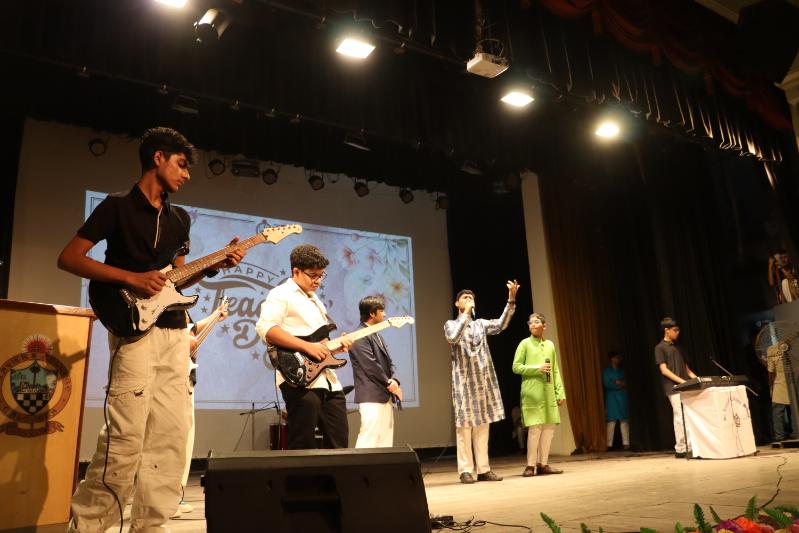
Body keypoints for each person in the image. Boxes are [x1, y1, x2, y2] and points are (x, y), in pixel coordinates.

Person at [57, 127, 245, 532]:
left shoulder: (180, 218)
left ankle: (150, 527)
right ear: (158, 158)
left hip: (175, 335)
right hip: (134, 334)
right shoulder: (116, 206)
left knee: (170, 441)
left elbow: (175, 281)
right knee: (124, 443)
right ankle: (87, 527)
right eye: (182, 164)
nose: (187, 174)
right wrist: (131, 278)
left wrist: (214, 266)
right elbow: (70, 258)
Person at [255, 244, 352, 449]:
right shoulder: (281, 294)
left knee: (340, 442)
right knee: (303, 442)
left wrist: (335, 347)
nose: (318, 280)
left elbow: (318, 343)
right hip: (299, 378)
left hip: (328, 380)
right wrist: (308, 347)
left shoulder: (316, 300)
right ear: (296, 271)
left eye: (321, 275)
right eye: (313, 275)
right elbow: (267, 329)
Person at [444, 280, 520, 484]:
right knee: (464, 429)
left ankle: (484, 469)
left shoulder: (481, 324)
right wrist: (466, 315)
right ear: (457, 303)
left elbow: (501, 324)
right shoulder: (451, 324)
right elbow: (453, 338)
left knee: (482, 428)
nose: (469, 300)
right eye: (465, 298)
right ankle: (465, 470)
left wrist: (511, 299)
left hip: (483, 384)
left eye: (472, 298)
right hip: (463, 386)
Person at [172, 306, 229, 519]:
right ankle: (167, 498)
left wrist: (214, 316)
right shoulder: (165, 301)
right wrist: (182, 341)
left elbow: (191, 330)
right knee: (174, 439)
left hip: (184, 376)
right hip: (173, 377)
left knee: (184, 438)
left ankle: (173, 495)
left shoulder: (177, 304)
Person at [512, 313, 566, 477]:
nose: (533, 325)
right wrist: (537, 369)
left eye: (536, 322)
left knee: (548, 429)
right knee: (535, 429)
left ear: (544, 326)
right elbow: (516, 367)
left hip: (548, 392)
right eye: (530, 323)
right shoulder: (525, 343)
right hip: (532, 392)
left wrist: (560, 392)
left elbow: (555, 370)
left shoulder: (550, 345)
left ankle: (543, 464)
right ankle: (530, 465)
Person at [349, 295, 403, 448]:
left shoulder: (376, 335)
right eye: (382, 311)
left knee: (385, 440)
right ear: (372, 313)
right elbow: (370, 365)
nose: (385, 314)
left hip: (384, 394)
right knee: (369, 438)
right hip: (371, 395)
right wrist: (389, 383)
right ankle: (360, 466)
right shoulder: (359, 335)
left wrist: (395, 380)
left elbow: (389, 363)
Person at [654, 317, 697, 458]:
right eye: (675, 330)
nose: (678, 332)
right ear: (666, 330)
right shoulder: (659, 348)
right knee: (680, 416)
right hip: (673, 387)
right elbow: (664, 370)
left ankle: (691, 446)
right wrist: (682, 382)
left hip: (684, 386)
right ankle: (681, 448)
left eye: (678, 330)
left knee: (688, 416)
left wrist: (698, 380)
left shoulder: (678, 347)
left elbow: (687, 369)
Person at [603, 350, 630, 450]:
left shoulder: (623, 371)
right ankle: (609, 444)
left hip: (622, 397)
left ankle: (626, 443)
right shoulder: (606, 371)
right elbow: (607, 384)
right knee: (611, 421)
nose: (619, 359)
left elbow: (626, 382)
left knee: (624, 420)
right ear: (612, 359)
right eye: (617, 357)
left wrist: (617, 382)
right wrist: (619, 384)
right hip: (611, 398)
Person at [767, 344, 794, 442]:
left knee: (778, 411)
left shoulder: (772, 349)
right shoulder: (794, 344)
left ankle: (780, 435)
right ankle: (792, 433)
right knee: (790, 410)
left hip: (783, 382)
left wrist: (770, 384)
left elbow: (771, 371)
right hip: (789, 381)